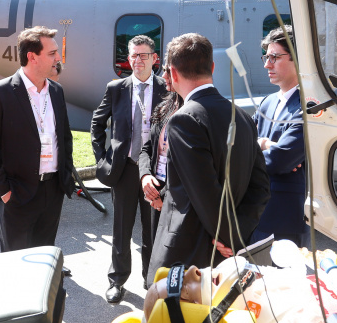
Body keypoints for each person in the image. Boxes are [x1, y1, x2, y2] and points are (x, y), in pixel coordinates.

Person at [145, 33, 270, 287]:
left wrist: (225, 239)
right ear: (211, 68)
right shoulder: (243, 117)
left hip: (189, 255)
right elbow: (261, 187)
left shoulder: (183, 119)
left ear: (173, 72)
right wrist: (235, 238)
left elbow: (205, 195)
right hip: (227, 253)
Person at [0, 26, 75, 252]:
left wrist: (64, 178)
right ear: (32, 57)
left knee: (44, 258)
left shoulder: (56, 91)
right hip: (17, 193)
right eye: (51, 53)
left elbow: (65, 138)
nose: (58, 58)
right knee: (16, 263)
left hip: (52, 191)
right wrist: (4, 192)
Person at [91, 35, 167, 303]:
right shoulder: (117, 88)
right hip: (124, 169)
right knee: (121, 230)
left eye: (143, 55)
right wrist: (103, 159)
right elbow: (97, 123)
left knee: (152, 230)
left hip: (155, 173)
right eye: (133, 55)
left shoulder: (166, 88)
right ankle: (117, 280)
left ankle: (151, 281)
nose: (137, 60)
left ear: (154, 59)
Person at [250, 26, 309, 248]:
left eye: (275, 57)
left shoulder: (307, 106)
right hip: (255, 213)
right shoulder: (268, 101)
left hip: (284, 217)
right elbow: (240, 145)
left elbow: (279, 160)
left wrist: (260, 150)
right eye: (267, 57)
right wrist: (265, 145)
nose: (267, 64)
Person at [138, 63, 182, 254]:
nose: (163, 75)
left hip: (175, 199)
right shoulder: (164, 107)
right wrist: (145, 175)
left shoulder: (192, 111)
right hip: (156, 190)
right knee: (152, 246)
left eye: (167, 70)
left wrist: (162, 195)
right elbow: (147, 148)